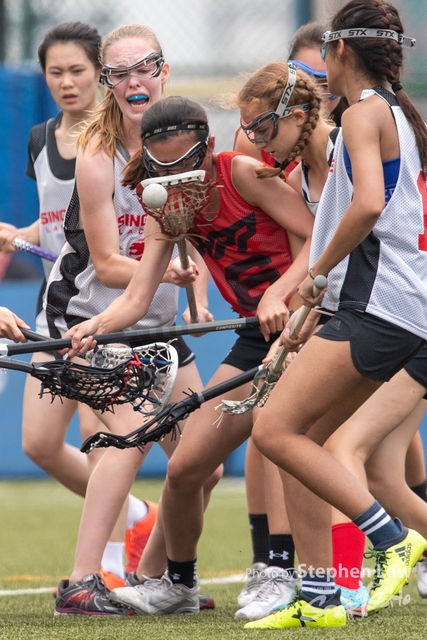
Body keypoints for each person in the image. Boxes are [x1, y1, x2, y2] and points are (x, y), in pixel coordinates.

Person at [63, 93, 315, 617]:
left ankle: (282, 573)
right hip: (257, 338)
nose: (177, 180)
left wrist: (280, 296)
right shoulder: (165, 205)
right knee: (186, 469)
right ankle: (177, 585)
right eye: (163, 169)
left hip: (304, 326)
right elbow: (136, 298)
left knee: (278, 440)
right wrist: (96, 327)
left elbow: (319, 237)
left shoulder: (240, 173)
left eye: (186, 165)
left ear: (210, 145)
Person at [238, 0, 427, 629]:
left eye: (324, 52)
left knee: (273, 431)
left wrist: (314, 276)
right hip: (388, 303)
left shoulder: (366, 113)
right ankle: (319, 596)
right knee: (303, 441)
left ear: (340, 50)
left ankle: (391, 537)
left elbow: (369, 206)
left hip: (381, 305)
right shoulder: (387, 111)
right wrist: (316, 298)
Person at [42, 25, 220, 616]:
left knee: (204, 465)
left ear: (164, 71)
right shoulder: (96, 154)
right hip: (94, 319)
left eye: (144, 67)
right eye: (119, 73)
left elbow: (192, 241)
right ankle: (80, 582)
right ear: (108, 82)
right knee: (128, 437)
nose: (133, 81)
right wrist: (167, 275)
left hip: (159, 327)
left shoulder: (184, 140)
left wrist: (196, 296)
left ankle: (155, 581)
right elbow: (107, 264)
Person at [0, 22, 152, 589]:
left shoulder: (117, 140)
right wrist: (17, 235)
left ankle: (105, 570)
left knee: (99, 436)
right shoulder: (41, 138)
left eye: (77, 71)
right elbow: (58, 223)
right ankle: (138, 516)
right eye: (54, 72)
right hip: (55, 305)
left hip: (105, 307)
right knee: (39, 444)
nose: (66, 82)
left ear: (101, 75)